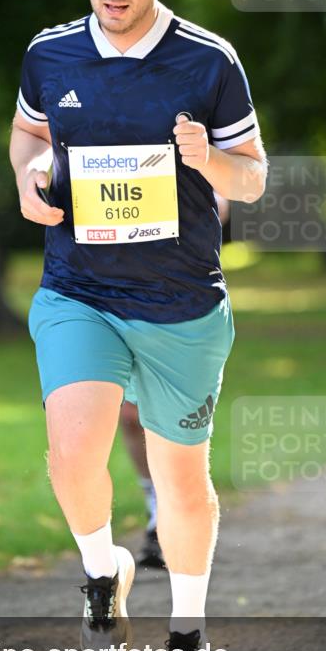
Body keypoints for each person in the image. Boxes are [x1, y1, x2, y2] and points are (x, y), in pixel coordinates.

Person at [9, 0, 267, 651]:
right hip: (77, 289)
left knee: (180, 480)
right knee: (72, 448)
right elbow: (28, 136)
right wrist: (27, 180)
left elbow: (253, 175)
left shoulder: (207, 61)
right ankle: (100, 567)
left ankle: (186, 635)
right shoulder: (50, 54)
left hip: (181, 303)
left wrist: (209, 162)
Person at [121, 194, 230, 572]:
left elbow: (222, 200)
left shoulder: (194, 132)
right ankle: (157, 512)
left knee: (175, 422)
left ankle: (179, 512)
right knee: (130, 416)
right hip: (111, 289)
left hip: (179, 293)